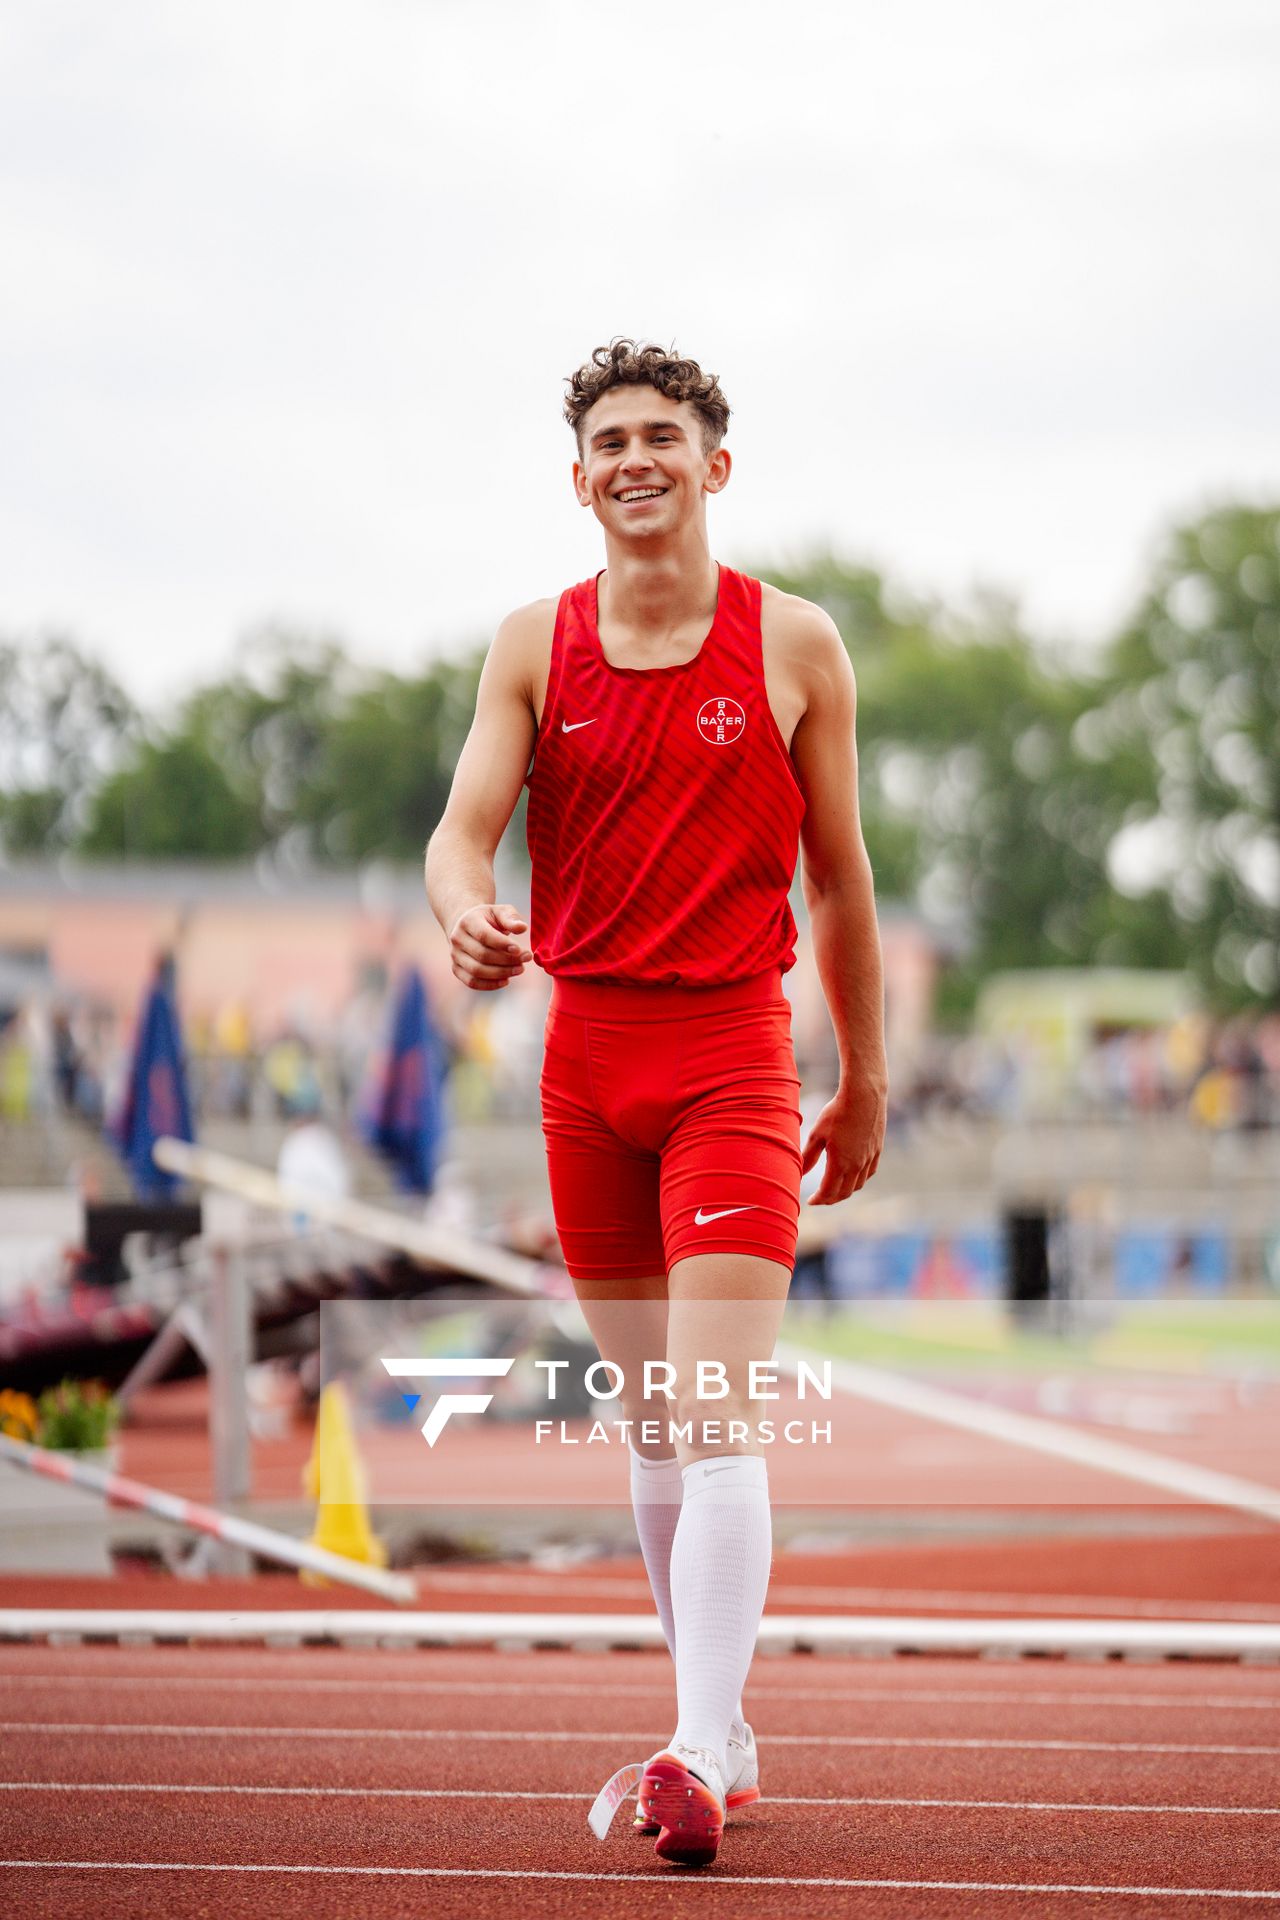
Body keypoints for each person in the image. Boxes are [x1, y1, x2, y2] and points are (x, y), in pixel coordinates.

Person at [425, 339, 887, 1868]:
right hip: (585, 1073)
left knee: (719, 1413)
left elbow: (841, 879)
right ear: (580, 480)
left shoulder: (795, 644)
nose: (636, 459)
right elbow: (458, 837)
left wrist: (864, 1069)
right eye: (609, 441)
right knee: (653, 1424)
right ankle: (729, 1733)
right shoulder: (528, 645)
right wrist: (465, 909)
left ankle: (693, 1746)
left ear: (713, 466)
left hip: (733, 1065)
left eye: (662, 438)